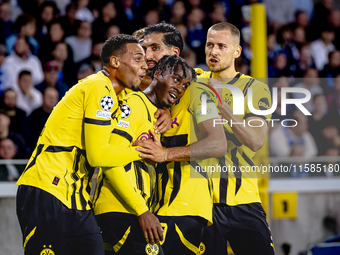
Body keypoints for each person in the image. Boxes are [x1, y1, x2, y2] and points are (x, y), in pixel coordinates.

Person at [15, 34, 152, 255]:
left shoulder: (118, 97)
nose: (145, 66)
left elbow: (148, 93)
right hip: (49, 188)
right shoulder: (99, 87)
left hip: (78, 199)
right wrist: (142, 152)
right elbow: (98, 156)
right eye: (138, 59)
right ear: (115, 62)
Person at [135, 22, 228, 254]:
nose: (147, 55)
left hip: (184, 206)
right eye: (144, 48)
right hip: (156, 206)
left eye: (155, 48)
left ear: (174, 52)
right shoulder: (140, 91)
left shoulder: (198, 89)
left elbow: (218, 143)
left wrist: (165, 154)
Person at [94, 54, 195, 255]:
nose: (180, 89)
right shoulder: (135, 104)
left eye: (184, 85)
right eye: (176, 79)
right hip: (120, 210)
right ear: (157, 74)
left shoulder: (153, 113)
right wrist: (142, 211)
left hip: (127, 210)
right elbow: (109, 161)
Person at [196, 22, 275, 255]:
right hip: (204, 204)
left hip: (244, 200)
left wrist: (223, 107)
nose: (214, 51)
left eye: (222, 46)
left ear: (237, 51)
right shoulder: (194, 87)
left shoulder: (255, 89)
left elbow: (255, 140)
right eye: (210, 45)